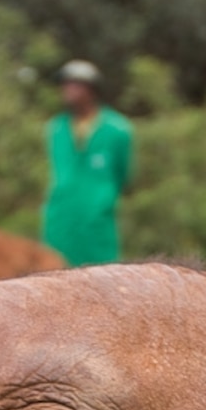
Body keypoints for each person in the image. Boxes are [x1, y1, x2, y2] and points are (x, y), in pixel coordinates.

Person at [40, 59, 135, 266]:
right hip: (60, 220)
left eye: (75, 84)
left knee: (102, 282)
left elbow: (123, 176)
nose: (68, 90)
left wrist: (101, 200)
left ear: (91, 89)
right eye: (65, 85)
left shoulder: (117, 130)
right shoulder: (55, 129)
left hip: (97, 223)